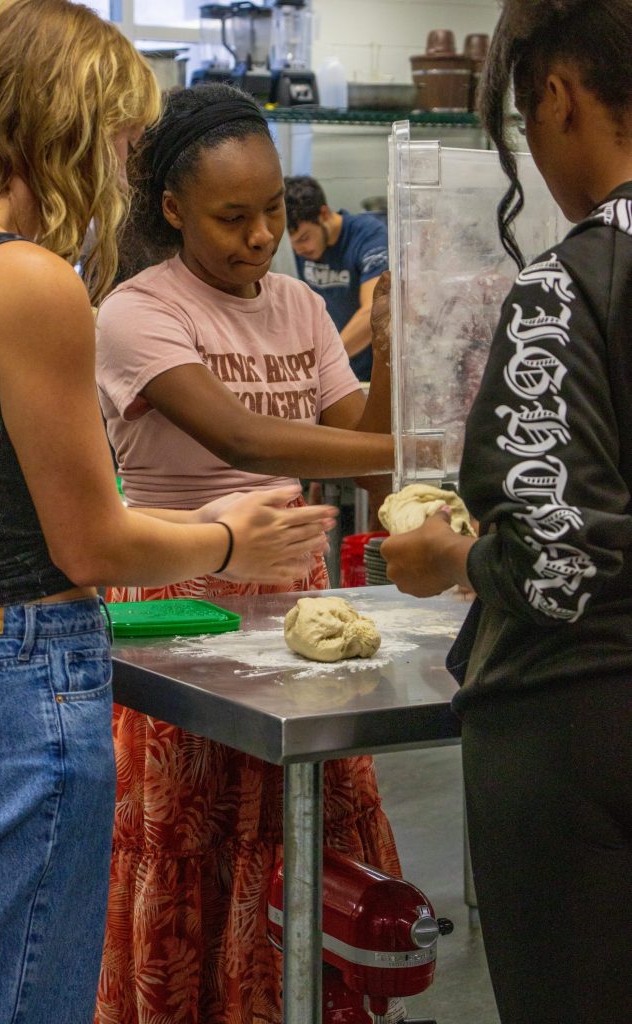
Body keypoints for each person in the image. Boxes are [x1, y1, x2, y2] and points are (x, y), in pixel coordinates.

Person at [0, 7, 337, 1024]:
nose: (123, 178)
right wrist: (228, 541)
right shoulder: (27, 282)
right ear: (67, 129)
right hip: (16, 679)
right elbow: (92, 539)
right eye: (121, 146)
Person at [94, 83, 400, 1024]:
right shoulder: (136, 312)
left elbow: (357, 437)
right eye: (232, 217)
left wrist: (392, 355)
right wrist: (421, 450)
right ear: (174, 209)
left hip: (297, 608)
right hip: (179, 602)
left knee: (298, 822)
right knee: (193, 839)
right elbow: (249, 443)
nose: (260, 235)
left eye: (271, 210)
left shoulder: (301, 309)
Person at [380, 1, 632, 1021]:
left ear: (559, 97)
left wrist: (451, 560)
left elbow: (558, 562)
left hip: (580, 735)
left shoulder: (567, 288)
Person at [284, 174, 389, 382]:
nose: (299, 249)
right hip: (333, 370)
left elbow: (375, 311)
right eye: (292, 243)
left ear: (324, 214)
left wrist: (324, 361)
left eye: (304, 238)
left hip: (371, 373)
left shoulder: (369, 236)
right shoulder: (305, 249)